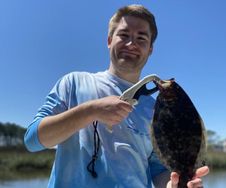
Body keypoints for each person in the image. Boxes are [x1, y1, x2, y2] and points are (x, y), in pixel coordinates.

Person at [24, 4, 209, 188]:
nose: (131, 44)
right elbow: (32, 140)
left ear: (150, 49)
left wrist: (175, 184)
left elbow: (159, 171)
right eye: (124, 35)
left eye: (141, 38)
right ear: (109, 40)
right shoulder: (74, 82)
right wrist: (91, 110)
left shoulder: (155, 108)